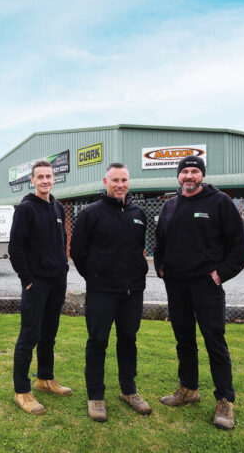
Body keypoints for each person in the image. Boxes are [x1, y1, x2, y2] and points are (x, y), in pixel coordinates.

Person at [154, 155, 244, 430]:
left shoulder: (220, 203)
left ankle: (224, 400)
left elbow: (239, 247)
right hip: (176, 285)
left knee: (214, 341)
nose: (189, 177)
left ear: (202, 175)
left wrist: (220, 274)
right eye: (185, 172)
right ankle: (188, 390)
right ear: (178, 176)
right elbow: (159, 243)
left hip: (207, 286)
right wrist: (161, 268)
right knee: (184, 341)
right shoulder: (170, 206)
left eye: (195, 171)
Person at [71, 163, 151, 423]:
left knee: (128, 340)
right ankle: (96, 396)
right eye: (115, 179)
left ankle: (129, 391)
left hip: (132, 292)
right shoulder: (90, 213)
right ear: (106, 180)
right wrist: (95, 277)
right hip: (102, 292)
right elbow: (78, 253)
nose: (120, 184)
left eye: (124, 180)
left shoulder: (138, 212)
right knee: (98, 342)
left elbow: (139, 248)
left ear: (129, 181)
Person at [9, 160, 71, 416]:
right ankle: (21, 391)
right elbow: (16, 249)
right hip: (37, 284)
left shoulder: (57, 206)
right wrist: (28, 280)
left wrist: (64, 268)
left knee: (49, 334)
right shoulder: (25, 209)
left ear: (54, 178)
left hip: (57, 280)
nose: (45, 180)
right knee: (29, 337)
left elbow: (62, 240)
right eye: (40, 177)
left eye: (49, 176)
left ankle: (45, 378)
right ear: (32, 181)